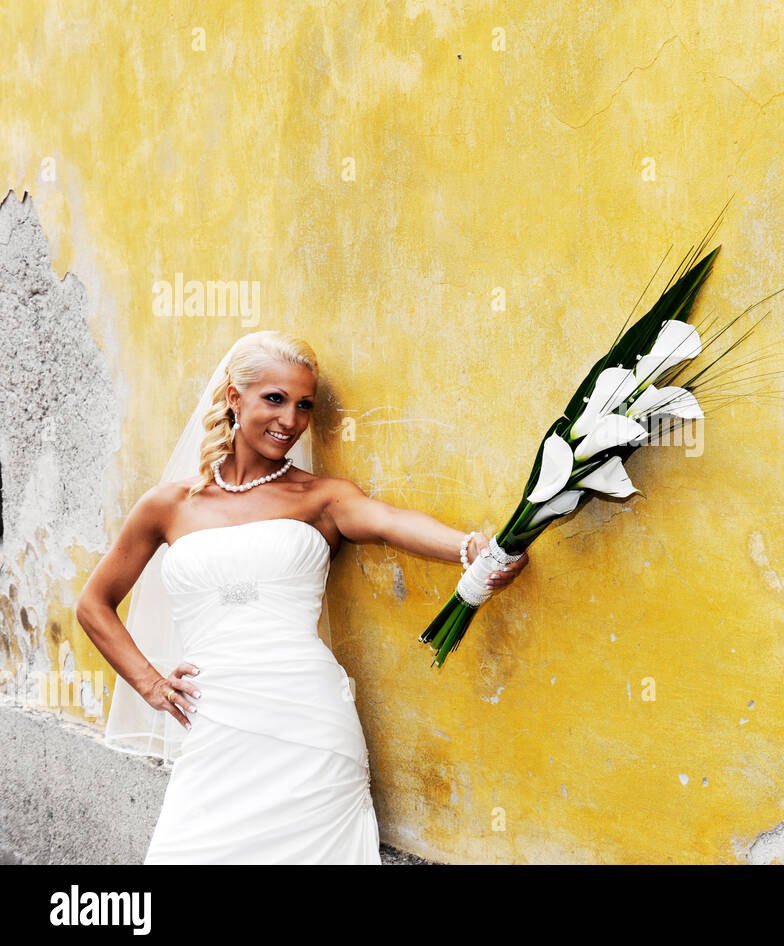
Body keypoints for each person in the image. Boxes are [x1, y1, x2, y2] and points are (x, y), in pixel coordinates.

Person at [75, 330, 528, 863]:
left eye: (304, 405)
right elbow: (94, 603)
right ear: (232, 399)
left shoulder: (323, 498)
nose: (290, 420)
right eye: (274, 398)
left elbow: (390, 523)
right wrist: (150, 684)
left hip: (310, 724)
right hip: (216, 723)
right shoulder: (167, 506)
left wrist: (471, 547)